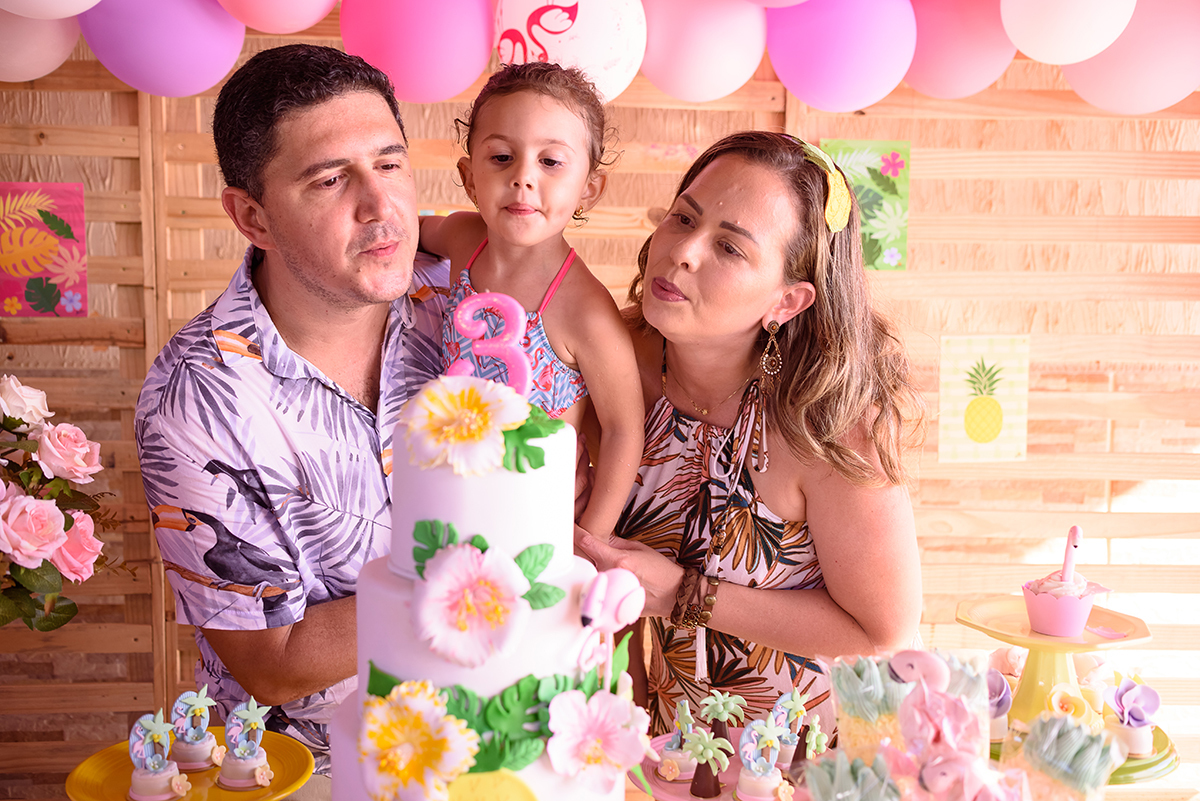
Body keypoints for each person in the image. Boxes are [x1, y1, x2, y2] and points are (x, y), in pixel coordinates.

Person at [134, 44, 447, 780]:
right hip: (315, 770)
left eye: (390, 163)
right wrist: (478, 577)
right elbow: (273, 664)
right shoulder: (195, 402)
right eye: (331, 178)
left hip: (493, 745)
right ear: (253, 216)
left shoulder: (462, 305)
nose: (380, 205)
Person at [574, 131, 926, 737]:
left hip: (816, 747)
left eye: (730, 248)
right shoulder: (608, 361)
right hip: (667, 746)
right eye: (684, 216)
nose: (683, 250)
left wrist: (685, 595)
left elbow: (881, 630)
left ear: (787, 301)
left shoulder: (825, 419)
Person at [419, 62, 643, 540]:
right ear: (469, 176)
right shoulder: (462, 237)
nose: (523, 177)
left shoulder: (584, 311)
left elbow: (624, 427)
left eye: (551, 161)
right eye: (501, 157)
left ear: (589, 189)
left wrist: (590, 540)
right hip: (449, 491)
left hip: (534, 520)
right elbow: (408, 234)